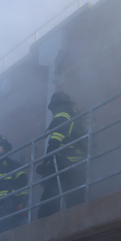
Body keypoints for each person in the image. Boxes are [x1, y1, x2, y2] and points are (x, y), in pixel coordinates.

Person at [36, 91, 87, 219]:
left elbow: (57, 136)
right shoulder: (76, 114)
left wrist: (45, 162)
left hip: (63, 158)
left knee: (50, 192)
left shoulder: (62, 110)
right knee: (74, 196)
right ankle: (77, 219)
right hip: (79, 160)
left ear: (55, 105)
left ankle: (45, 223)